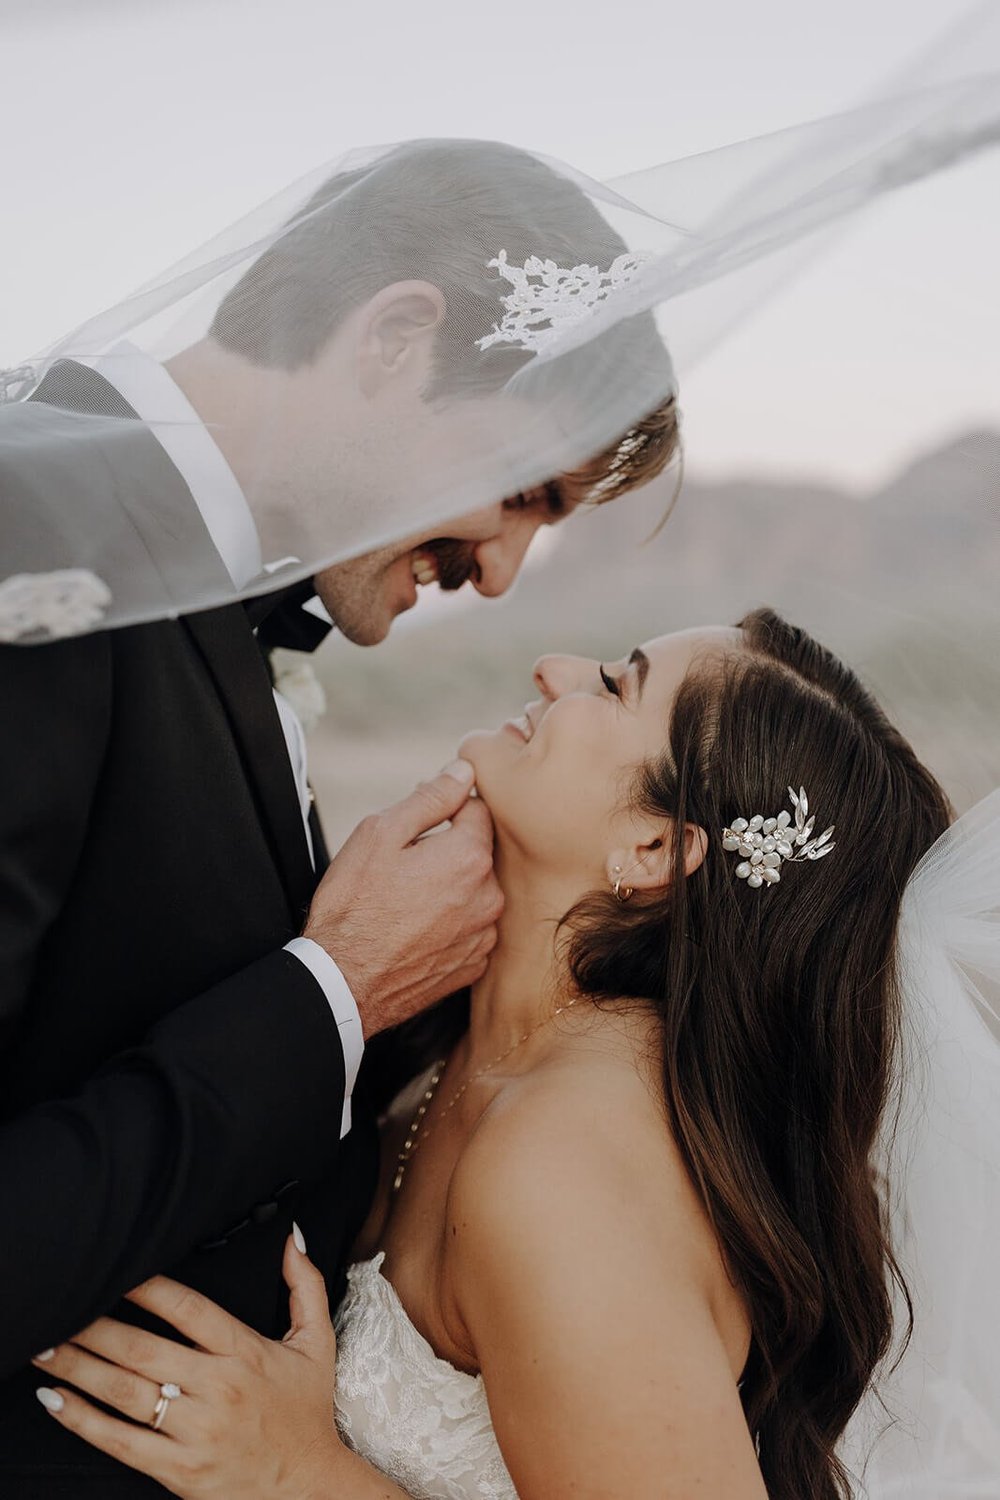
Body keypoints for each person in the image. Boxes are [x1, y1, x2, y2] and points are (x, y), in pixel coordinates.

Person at [0, 139, 678, 1497]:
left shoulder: (159, 560)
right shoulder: (34, 530)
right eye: (524, 489)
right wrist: (335, 991)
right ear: (395, 338)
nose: (500, 575)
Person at [29, 608, 960, 1500]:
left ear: (654, 846)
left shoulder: (567, 1171)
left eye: (612, 684)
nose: (552, 670)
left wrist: (300, 1477)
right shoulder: (460, 1043)